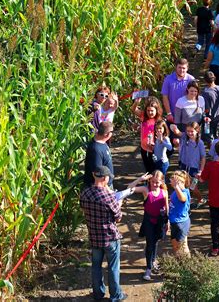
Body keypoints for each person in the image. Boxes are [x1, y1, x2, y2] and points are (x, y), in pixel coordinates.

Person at [80, 166, 148, 301]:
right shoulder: (108, 196)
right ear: (105, 178)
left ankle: (98, 294)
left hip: (94, 236)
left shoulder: (85, 193)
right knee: (113, 267)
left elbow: (84, 208)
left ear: (94, 175)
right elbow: (118, 217)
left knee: (96, 266)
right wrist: (119, 202)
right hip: (110, 237)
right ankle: (116, 295)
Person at [128, 170, 169, 281]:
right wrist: (140, 179)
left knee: (155, 242)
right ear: (149, 181)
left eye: (157, 182)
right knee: (150, 243)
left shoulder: (164, 192)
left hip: (160, 221)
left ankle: (154, 260)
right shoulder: (146, 190)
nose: (155, 184)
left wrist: (167, 222)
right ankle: (148, 268)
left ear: (161, 181)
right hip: (149, 221)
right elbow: (129, 187)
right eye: (153, 182)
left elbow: (166, 208)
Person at [170, 122, 206, 208]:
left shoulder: (200, 143)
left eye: (192, 131)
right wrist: (174, 127)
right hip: (184, 166)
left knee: (193, 187)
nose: (189, 133)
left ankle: (201, 199)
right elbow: (174, 129)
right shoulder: (184, 137)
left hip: (194, 169)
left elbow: (203, 158)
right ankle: (186, 200)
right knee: (183, 184)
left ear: (197, 131)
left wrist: (201, 171)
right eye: (188, 131)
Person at [131, 96, 163, 173]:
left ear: (157, 110)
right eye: (148, 110)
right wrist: (136, 103)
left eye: (152, 110)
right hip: (144, 148)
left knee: (154, 168)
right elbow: (133, 109)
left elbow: (163, 135)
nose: (150, 113)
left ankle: (153, 181)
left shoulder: (159, 121)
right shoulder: (143, 117)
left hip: (154, 149)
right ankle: (148, 182)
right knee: (147, 168)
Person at [161, 58, 195, 124]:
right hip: (173, 115)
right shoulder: (168, 79)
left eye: (184, 68)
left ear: (187, 68)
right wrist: (169, 113)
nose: (181, 70)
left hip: (187, 114)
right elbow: (165, 97)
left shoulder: (191, 80)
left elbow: (195, 97)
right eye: (179, 67)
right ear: (176, 67)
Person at [84, 122, 114, 189]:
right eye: (112, 131)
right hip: (102, 188)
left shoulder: (103, 143)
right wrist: (107, 189)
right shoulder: (95, 150)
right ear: (108, 134)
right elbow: (97, 173)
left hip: (106, 184)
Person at [168, 170, 192, 256]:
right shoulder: (175, 192)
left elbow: (182, 199)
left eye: (179, 182)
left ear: (184, 182)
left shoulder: (185, 192)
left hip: (181, 223)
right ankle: (178, 263)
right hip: (174, 222)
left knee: (182, 246)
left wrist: (176, 187)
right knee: (175, 245)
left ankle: (187, 264)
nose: (175, 184)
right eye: (174, 181)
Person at [201, 71, 219, 142]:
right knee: (218, 136)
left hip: (209, 119)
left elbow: (206, 108)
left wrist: (204, 116)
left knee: (209, 137)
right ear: (214, 78)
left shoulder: (205, 93)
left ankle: (211, 151)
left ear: (205, 80)